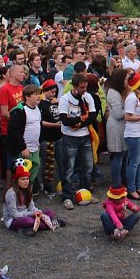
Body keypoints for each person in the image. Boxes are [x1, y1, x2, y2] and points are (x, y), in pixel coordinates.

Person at [57, 72, 98, 210]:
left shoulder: (88, 97)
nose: (84, 90)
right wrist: (81, 119)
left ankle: (84, 192)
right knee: (69, 168)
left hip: (85, 135)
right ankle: (67, 196)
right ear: (74, 87)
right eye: (82, 88)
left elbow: (92, 116)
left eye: (86, 87)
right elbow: (65, 120)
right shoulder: (64, 99)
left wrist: (78, 123)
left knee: (87, 167)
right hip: (70, 138)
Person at [2, 164, 61, 237]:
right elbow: (14, 214)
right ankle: (53, 223)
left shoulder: (27, 190)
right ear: (17, 181)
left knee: (50, 213)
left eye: (27, 179)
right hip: (13, 219)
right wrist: (32, 214)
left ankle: (27, 229)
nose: (26, 181)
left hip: (27, 214)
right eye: (22, 179)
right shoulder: (11, 194)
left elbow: (32, 207)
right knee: (29, 221)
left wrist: (39, 213)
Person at [6, 85, 43, 186]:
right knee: (21, 176)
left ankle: (28, 196)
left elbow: (38, 126)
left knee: (32, 174)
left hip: (34, 148)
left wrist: (38, 142)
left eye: (39, 94)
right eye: (35, 94)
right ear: (27, 97)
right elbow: (14, 131)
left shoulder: (37, 109)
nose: (39, 96)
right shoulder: (20, 110)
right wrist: (22, 147)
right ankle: (17, 198)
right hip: (24, 150)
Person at [104, 69, 128, 188]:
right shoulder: (113, 93)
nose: (127, 81)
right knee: (117, 155)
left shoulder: (119, 91)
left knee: (123, 154)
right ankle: (116, 183)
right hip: (116, 127)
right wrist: (130, 107)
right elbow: (118, 114)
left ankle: (123, 180)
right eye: (125, 79)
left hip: (121, 126)